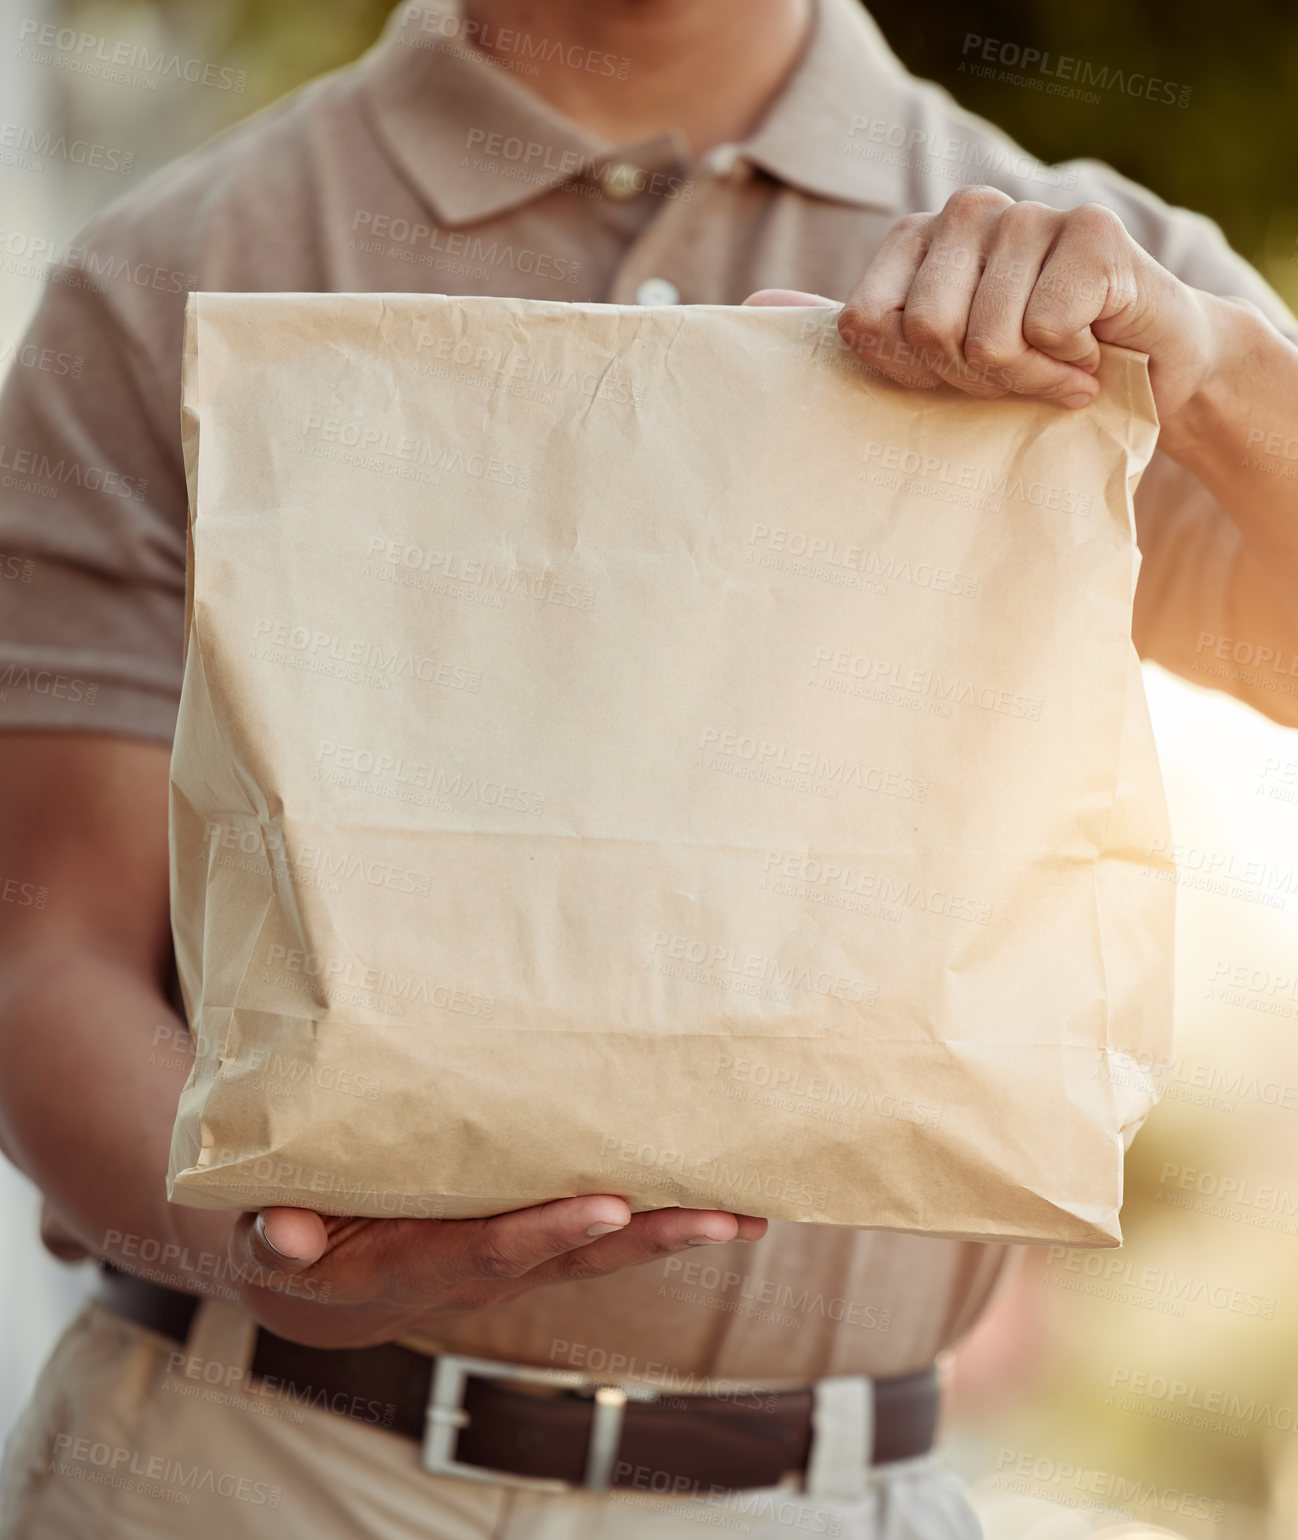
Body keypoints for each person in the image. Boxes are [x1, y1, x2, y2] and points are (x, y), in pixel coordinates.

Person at [1, 0, 1296, 1535]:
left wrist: (1215, 366)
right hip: (248, 1471)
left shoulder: (1088, 268)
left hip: (817, 1498)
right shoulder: (179, 258)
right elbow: (45, 942)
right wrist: (262, 1253)